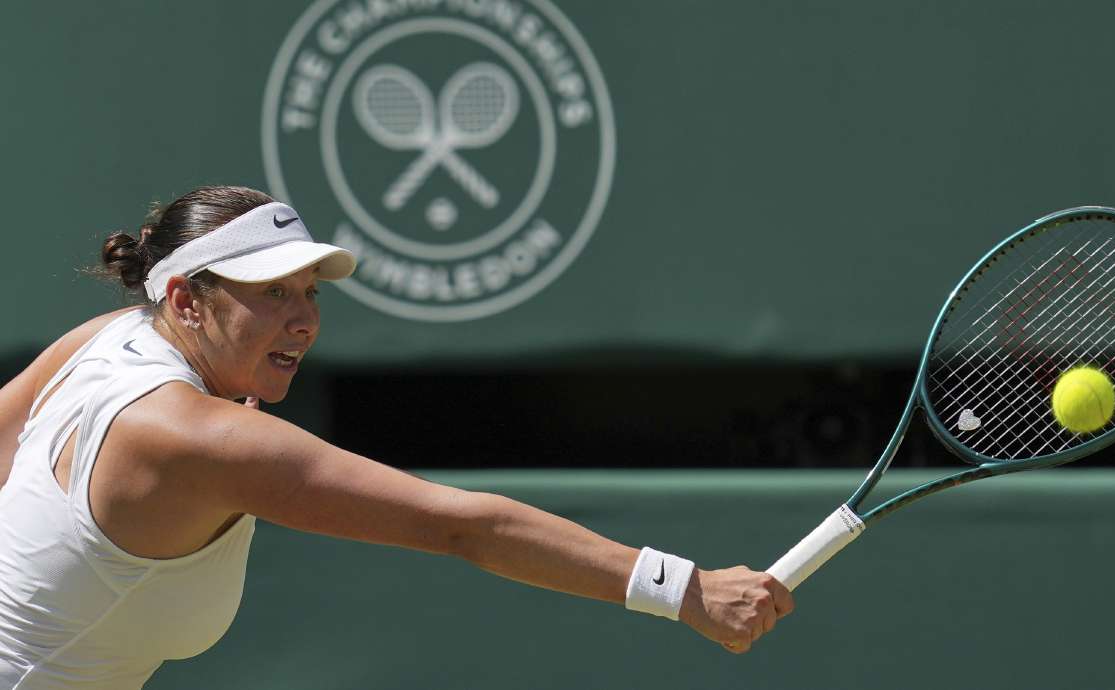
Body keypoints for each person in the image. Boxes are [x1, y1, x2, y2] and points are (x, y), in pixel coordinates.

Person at [0, 186, 793, 688]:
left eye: (308, 291)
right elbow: (459, 525)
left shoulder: (109, 337)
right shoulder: (199, 437)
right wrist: (685, 589)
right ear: (184, 300)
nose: (304, 317)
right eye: (271, 292)